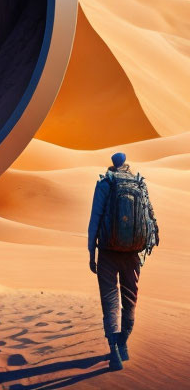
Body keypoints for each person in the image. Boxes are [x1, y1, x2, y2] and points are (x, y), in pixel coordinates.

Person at [87, 151, 159, 371]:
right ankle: (123, 343)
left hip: (108, 252)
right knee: (130, 300)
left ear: (112, 164)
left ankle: (114, 351)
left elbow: (94, 221)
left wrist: (92, 253)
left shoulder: (105, 183)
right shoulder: (139, 184)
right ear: (126, 164)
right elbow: (148, 218)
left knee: (110, 302)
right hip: (133, 255)